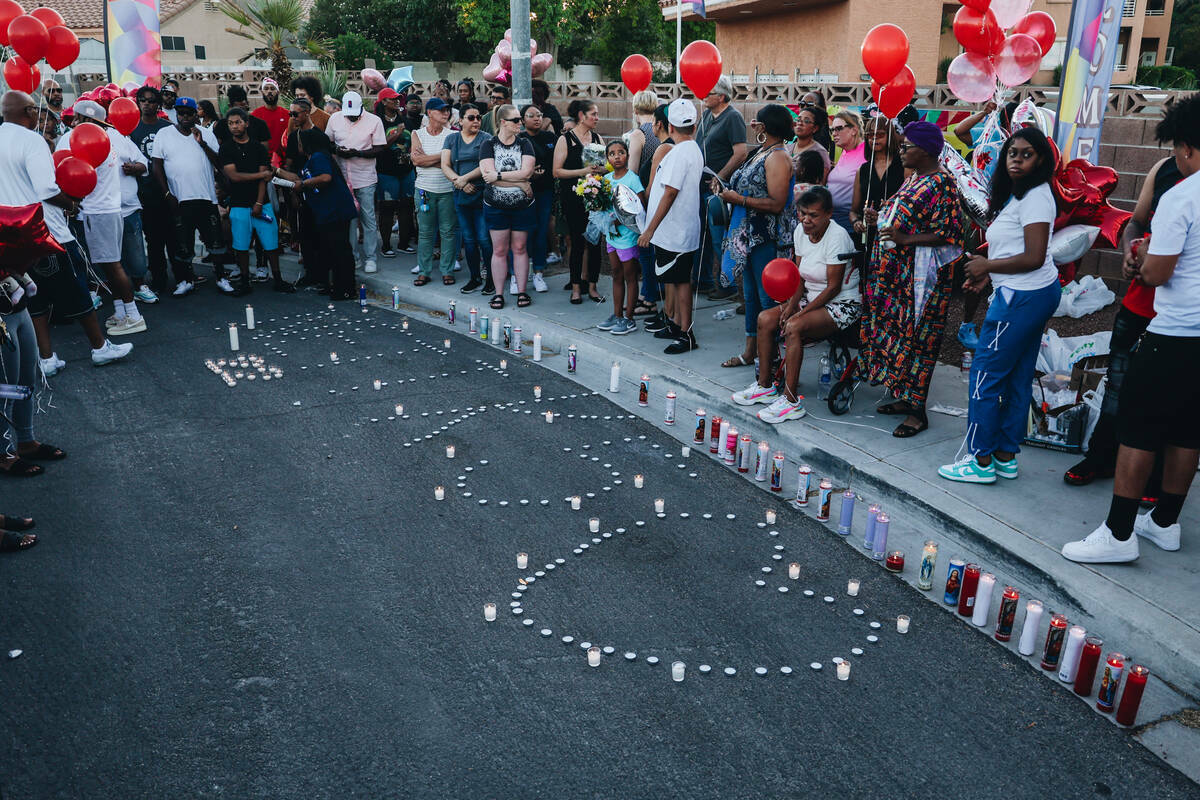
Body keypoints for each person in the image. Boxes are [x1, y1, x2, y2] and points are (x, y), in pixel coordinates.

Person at [1062, 94, 1200, 563]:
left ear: (1185, 147)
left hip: (1174, 333)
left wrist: (1141, 261)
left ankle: (1118, 534)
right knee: (1187, 432)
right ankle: (1164, 523)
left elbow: (1158, 274)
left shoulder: (1183, 195)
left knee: (1138, 429)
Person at [938, 127, 1062, 484]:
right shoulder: (1023, 195)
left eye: (1027, 154)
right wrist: (989, 276)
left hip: (1022, 298)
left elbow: (1035, 256)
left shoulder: (1037, 196)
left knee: (985, 376)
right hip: (1029, 293)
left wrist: (987, 266)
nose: (1017, 160)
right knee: (1018, 376)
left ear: (1041, 160)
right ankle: (1005, 455)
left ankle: (979, 461)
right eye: (1012, 153)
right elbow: (1016, 249)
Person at [1065, 152, 1182, 491]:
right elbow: (1135, 222)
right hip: (1138, 306)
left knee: (1167, 396)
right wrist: (1131, 251)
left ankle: (1156, 478)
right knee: (1117, 387)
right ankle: (1101, 457)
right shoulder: (1165, 167)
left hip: (1180, 317)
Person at [0, 90, 132, 378]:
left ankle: (46, 358)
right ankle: (100, 347)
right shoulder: (31, 140)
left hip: (9, 235)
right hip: (46, 231)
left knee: (34, 298)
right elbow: (46, 189)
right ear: (30, 111)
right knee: (77, 288)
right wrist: (71, 203)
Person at [858, 120, 965, 437]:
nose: (901, 151)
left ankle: (918, 414)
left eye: (906, 147)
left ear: (926, 150)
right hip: (896, 281)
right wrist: (879, 219)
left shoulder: (942, 184)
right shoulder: (916, 179)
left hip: (922, 285)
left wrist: (905, 240)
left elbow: (950, 235)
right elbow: (903, 219)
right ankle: (905, 399)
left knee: (920, 343)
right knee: (900, 340)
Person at [732, 186, 859, 422]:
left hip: (842, 303)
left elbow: (834, 287)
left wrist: (800, 314)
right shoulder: (801, 231)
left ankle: (791, 401)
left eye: (813, 215)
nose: (806, 219)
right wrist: (791, 305)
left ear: (829, 214)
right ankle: (765, 386)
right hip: (810, 297)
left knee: (793, 327)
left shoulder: (838, 236)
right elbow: (799, 274)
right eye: (803, 213)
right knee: (765, 319)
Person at [714, 103, 795, 370]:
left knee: (766, 298)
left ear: (766, 126)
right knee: (749, 297)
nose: (753, 125)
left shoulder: (779, 157)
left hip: (767, 239)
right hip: (749, 237)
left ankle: (769, 356)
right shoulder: (761, 152)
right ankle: (750, 352)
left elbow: (777, 203)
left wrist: (740, 199)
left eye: (756, 121)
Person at [56, 100, 148, 335]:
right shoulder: (108, 139)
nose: (73, 123)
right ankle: (120, 311)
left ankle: (134, 315)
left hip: (100, 212)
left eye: (77, 118)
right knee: (108, 266)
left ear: (87, 121)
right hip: (105, 210)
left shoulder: (88, 140)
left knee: (113, 266)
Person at [638, 98, 704, 355]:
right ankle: (676, 324)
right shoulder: (692, 149)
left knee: (681, 282)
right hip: (676, 230)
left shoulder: (679, 153)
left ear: (671, 128)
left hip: (675, 229)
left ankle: (686, 333)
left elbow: (669, 193)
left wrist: (650, 229)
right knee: (674, 280)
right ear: (694, 126)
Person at [151, 96, 233, 296]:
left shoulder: (206, 133)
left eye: (189, 113)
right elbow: (156, 166)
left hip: (206, 198)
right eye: (181, 113)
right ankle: (186, 280)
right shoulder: (164, 134)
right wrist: (167, 193)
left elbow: (219, 164)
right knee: (182, 244)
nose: (185, 117)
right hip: (180, 199)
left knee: (215, 242)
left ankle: (221, 277)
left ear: (196, 114)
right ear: (177, 114)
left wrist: (203, 143)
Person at [277, 128, 358, 299]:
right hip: (326, 212)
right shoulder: (311, 160)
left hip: (335, 210)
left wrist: (304, 184)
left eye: (300, 143)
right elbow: (296, 178)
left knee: (340, 250)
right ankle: (334, 285)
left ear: (307, 144)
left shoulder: (319, 157)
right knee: (330, 250)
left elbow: (325, 178)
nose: (298, 145)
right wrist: (275, 171)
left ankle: (346, 289)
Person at [219, 107, 291, 295]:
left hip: (262, 203)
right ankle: (245, 281)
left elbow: (264, 180)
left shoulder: (258, 147)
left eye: (238, 122)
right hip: (238, 204)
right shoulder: (226, 148)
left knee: (271, 244)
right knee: (241, 245)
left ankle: (278, 279)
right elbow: (234, 176)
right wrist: (260, 174)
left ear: (246, 123)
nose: (234, 126)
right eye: (230, 123)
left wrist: (259, 203)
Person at [480, 103, 537, 310]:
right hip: (496, 205)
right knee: (500, 249)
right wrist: (520, 183)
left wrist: (501, 175)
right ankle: (498, 293)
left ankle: (522, 291)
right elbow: (488, 177)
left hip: (523, 205)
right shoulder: (488, 145)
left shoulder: (524, 144)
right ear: (503, 122)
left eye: (520, 119)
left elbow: (527, 172)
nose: (519, 123)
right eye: (515, 120)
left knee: (520, 248)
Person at [696, 76, 747, 300]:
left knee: (719, 237)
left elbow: (741, 153)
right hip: (700, 184)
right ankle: (705, 280)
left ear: (722, 96)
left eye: (709, 92)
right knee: (702, 235)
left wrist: (720, 176)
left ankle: (729, 285)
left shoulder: (733, 117)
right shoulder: (707, 114)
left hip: (719, 188)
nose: (704, 95)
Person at [326, 90, 386, 274]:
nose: (351, 118)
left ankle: (371, 258)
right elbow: (327, 142)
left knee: (368, 219)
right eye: (348, 115)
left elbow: (379, 148)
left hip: (365, 177)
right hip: (343, 178)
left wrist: (357, 153)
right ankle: (353, 257)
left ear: (361, 108)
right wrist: (337, 149)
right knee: (349, 220)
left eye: (354, 115)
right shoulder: (335, 119)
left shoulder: (374, 121)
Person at [554, 99, 606, 304]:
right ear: (581, 116)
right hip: (573, 198)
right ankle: (576, 287)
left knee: (594, 243)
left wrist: (600, 170)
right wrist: (583, 172)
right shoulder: (566, 139)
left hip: (594, 198)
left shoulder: (596, 137)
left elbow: (603, 166)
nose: (597, 118)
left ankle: (592, 286)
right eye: (593, 114)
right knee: (577, 242)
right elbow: (557, 171)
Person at [130, 86, 176, 293]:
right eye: (143, 100)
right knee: (153, 240)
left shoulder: (167, 128)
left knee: (174, 236)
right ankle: (158, 278)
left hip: (168, 190)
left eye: (151, 100)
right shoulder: (131, 129)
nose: (147, 104)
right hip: (144, 193)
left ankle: (184, 276)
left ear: (158, 104)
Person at [442, 105, 492, 293]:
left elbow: (485, 165)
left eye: (478, 117)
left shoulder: (486, 139)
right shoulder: (451, 139)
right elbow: (445, 165)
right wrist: (460, 182)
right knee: (469, 240)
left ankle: (491, 279)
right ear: (460, 120)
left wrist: (464, 179)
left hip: (481, 193)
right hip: (460, 193)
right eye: (471, 118)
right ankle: (474, 277)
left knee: (484, 239)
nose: (476, 121)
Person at [596, 140, 644, 333]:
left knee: (630, 276)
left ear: (627, 155)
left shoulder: (632, 179)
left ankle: (629, 318)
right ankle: (617, 315)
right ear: (607, 158)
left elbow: (639, 207)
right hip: (612, 236)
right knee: (615, 274)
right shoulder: (606, 179)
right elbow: (602, 204)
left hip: (628, 236)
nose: (617, 156)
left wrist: (621, 218)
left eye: (621, 152)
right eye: (612, 153)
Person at [850, 115, 906, 276]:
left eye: (880, 134)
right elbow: (854, 210)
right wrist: (856, 222)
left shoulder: (903, 165)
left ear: (890, 135)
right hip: (868, 236)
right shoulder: (864, 169)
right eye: (869, 135)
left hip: (895, 234)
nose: (874, 139)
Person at [412, 97, 458, 284]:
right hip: (424, 190)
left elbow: (452, 162)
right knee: (425, 232)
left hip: (447, 189)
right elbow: (416, 161)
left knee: (448, 231)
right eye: (441, 110)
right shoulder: (417, 133)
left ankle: (447, 270)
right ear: (430, 112)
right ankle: (424, 270)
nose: (446, 113)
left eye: (447, 110)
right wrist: (442, 158)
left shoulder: (452, 135)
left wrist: (429, 159)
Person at [640, 104, 674, 332]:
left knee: (654, 259)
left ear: (660, 124)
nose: (651, 125)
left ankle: (656, 303)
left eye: (653, 122)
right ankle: (663, 308)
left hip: (658, 215)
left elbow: (653, 188)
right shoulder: (678, 147)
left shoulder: (664, 149)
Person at [374, 87, 415, 257]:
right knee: (387, 209)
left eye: (398, 99)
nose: (397, 102)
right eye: (393, 99)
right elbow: (379, 145)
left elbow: (413, 141)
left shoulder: (406, 121)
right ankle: (385, 245)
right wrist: (396, 134)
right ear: (384, 102)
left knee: (407, 207)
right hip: (386, 172)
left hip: (406, 170)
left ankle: (403, 243)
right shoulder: (378, 123)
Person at [520, 103, 555, 293]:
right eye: (532, 115)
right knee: (523, 234)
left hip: (544, 192)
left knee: (541, 232)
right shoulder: (519, 139)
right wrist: (528, 175)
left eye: (540, 115)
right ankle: (520, 273)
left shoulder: (550, 138)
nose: (537, 118)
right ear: (523, 119)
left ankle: (539, 273)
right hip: (521, 192)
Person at [827, 110, 866, 233]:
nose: (834, 133)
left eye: (838, 128)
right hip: (832, 219)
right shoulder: (845, 151)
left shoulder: (867, 152)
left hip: (851, 222)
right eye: (832, 130)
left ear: (854, 130)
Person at [786, 107, 831, 186]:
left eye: (806, 121)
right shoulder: (787, 147)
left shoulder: (819, 152)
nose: (800, 123)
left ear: (815, 128)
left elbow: (820, 184)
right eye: (798, 119)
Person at [252, 77, 290, 167]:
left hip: (285, 162)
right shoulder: (255, 115)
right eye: (266, 88)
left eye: (272, 89)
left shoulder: (287, 114)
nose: (269, 91)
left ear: (278, 92)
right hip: (263, 163)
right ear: (262, 92)